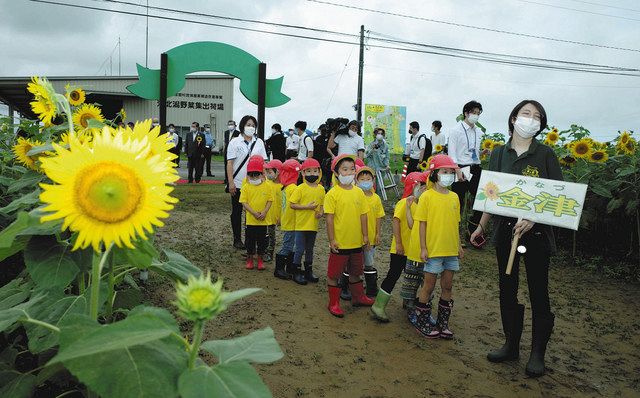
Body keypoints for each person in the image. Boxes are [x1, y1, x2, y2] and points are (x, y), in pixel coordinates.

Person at [470, 100, 562, 378]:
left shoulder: (546, 154)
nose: (531, 119)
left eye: (537, 116)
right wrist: (481, 226)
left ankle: (537, 354)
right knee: (507, 286)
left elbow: (558, 194)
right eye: (526, 114)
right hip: (505, 231)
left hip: (536, 234)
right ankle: (510, 344)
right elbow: (491, 194)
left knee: (538, 290)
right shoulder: (499, 153)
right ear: (513, 119)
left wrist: (535, 217)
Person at [409, 154, 463, 339]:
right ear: (434, 174)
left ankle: (443, 324)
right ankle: (422, 322)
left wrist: (459, 246)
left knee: (448, 286)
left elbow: (456, 224)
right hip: (433, 250)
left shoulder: (455, 197)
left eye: (451, 172)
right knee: (428, 287)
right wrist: (423, 248)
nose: (448, 175)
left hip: (450, 251)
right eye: (444, 171)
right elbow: (421, 224)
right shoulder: (427, 197)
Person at [370, 172, 427, 322]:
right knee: (393, 275)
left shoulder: (422, 204)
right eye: (423, 186)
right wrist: (399, 243)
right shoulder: (403, 203)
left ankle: (408, 302)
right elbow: (396, 223)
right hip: (400, 250)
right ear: (414, 186)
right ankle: (379, 305)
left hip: (414, 250)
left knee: (414, 278)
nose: (425, 190)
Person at [324, 154, 374, 317]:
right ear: (337, 173)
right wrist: (332, 240)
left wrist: (365, 236)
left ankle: (358, 297)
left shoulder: (359, 192)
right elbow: (329, 219)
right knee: (334, 274)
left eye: (352, 169)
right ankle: (333, 302)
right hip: (340, 243)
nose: (349, 173)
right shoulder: (332, 194)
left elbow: (364, 215)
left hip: (356, 242)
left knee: (356, 271)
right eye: (344, 169)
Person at [226, 116, 268, 249]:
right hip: (238, 183)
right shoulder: (234, 142)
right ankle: (237, 239)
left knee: (253, 212)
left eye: (253, 125)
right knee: (237, 212)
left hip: (256, 184)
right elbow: (230, 163)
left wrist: (265, 179)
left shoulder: (259, 142)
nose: (251, 127)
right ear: (242, 126)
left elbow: (264, 163)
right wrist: (231, 182)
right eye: (248, 124)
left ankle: (251, 242)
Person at [449, 100, 486, 237]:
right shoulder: (455, 130)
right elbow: (452, 153)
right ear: (466, 113)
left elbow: (472, 151)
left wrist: (482, 153)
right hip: (460, 168)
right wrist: (457, 170)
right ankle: (455, 233)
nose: (476, 116)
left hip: (475, 168)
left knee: (482, 200)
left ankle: (473, 230)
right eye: (473, 113)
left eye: (478, 113)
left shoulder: (478, 131)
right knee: (458, 202)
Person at [289, 158, 325, 285]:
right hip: (301, 225)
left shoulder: (321, 189)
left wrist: (321, 212)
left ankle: (308, 271)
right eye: (308, 171)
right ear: (303, 173)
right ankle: (296, 271)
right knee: (299, 249)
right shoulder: (300, 188)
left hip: (313, 225)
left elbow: (322, 204)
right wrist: (307, 207)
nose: (312, 174)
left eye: (315, 171)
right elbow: (292, 205)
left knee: (310, 249)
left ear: (319, 172)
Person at [239, 156, 273, 271]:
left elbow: (270, 200)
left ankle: (260, 259)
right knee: (250, 240)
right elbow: (244, 202)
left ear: (262, 174)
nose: (254, 178)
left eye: (257, 175)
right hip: (251, 220)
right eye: (251, 175)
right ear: (248, 175)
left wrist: (264, 212)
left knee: (262, 241)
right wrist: (253, 213)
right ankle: (249, 258)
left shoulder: (267, 186)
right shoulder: (246, 187)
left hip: (263, 221)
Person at [355, 166, 385, 298]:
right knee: (355, 262)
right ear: (357, 181)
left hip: (371, 237)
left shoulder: (376, 198)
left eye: (368, 179)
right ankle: (351, 286)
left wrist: (378, 233)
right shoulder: (355, 196)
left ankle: (371, 288)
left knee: (369, 261)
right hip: (356, 236)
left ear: (373, 180)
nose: (366, 181)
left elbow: (379, 217)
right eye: (362, 179)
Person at [274, 159, 301, 279]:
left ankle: (289, 267)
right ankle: (279, 269)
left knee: (290, 245)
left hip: (287, 220)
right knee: (288, 246)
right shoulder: (294, 188)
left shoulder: (285, 187)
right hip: (292, 222)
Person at [264, 159, 283, 263]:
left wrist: (280, 217)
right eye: (266, 172)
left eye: (270, 172)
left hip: (273, 217)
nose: (267, 174)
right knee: (263, 235)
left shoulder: (282, 187)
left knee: (271, 236)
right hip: (264, 215)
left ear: (278, 172)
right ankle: (261, 252)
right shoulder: (266, 183)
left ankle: (269, 253)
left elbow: (282, 205)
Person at [365, 128, 390, 195]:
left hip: (381, 166)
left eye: (381, 133)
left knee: (380, 185)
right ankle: (369, 195)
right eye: (378, 133)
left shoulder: (385, 145)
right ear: (375, 135)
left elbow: (387, 156)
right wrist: (372, 149)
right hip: (372, 166)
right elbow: (366, 155)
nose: (380, 135)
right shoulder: (371, 144)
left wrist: (387, 165)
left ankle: (378, 197)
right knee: (371, 183)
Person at [223, 120, 240, 187]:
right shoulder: (226, 132)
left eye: (232, 124)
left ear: (235, 125)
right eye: (229, 124)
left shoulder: (238, 133)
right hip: (227, 151)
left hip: (234, 151)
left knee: (233, 165)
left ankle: (233, 178)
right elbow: (225, 142)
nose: (230, 126)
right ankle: (226, 179)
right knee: (226, 165)